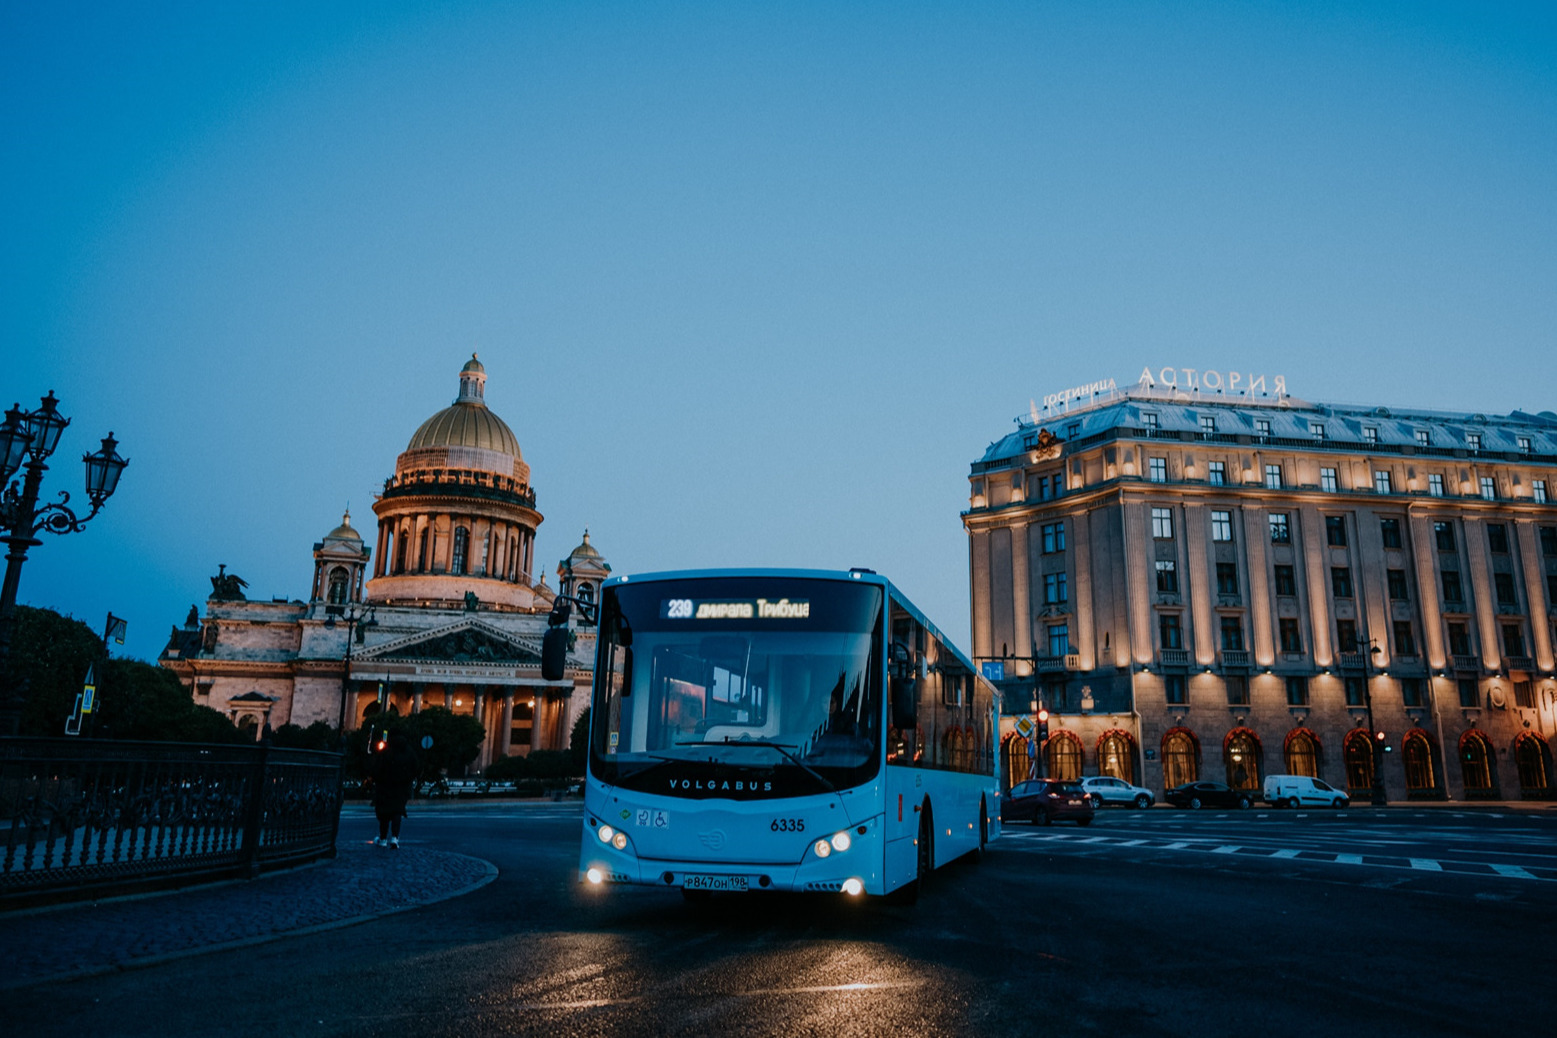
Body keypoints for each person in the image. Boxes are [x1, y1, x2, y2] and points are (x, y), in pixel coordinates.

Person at [368, 728, 419, 849]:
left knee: (384, 814)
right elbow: (416, 766)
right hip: (401, 787)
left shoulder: (386, 750)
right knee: (397, 812)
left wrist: (375, 779)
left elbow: (377, 767)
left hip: (385, 786)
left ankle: (383, 838)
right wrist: (408, 779)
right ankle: (395, 838)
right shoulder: (408, 750)